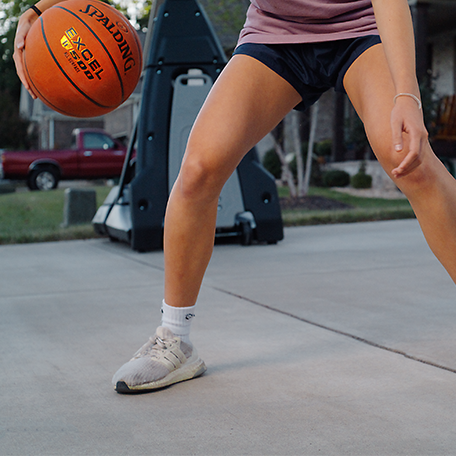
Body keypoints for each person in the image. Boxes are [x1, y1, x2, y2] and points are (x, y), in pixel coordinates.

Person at [14, 0, 456, 394]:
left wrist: (406, 94)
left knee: (409, 159)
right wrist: (41, 9)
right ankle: (175, 339)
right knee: (198, 171)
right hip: (274, 34)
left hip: (362, 27)